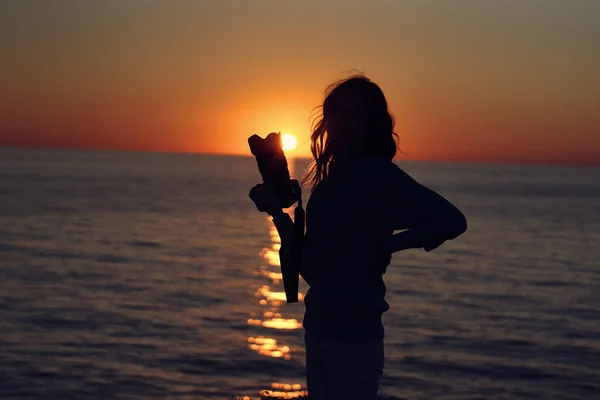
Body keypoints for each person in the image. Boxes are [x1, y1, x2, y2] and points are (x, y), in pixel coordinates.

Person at [249, 75, 467, 400]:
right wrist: (278, 214)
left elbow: (452, 220)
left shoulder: (379, 175)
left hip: (354, 338)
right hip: (320, 328)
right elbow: (313, 268)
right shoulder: (329, 184)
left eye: (352, 114)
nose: (340, 123)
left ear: (371, 123)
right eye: (335, 113)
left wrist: (390, 243)